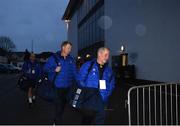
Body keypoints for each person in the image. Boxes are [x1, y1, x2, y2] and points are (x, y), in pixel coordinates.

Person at [78, 47, 115, 124]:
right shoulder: (88, 65)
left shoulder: (109, 70)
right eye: (105, 55)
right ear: (99, 54)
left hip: (102, 101)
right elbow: (80, 80)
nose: (107, 57)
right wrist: (88, 92)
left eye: (108, 55)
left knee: (100, 122)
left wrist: (107, 94)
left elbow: (112, 84)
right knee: (86, 121)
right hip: (89, 100)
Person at [44, 41, 77, 124]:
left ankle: (55, 120)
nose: (70, 50)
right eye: (68, 48)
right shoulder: (54, 58)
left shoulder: (71, 59)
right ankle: (57, 122)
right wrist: (54, 69)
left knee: (62, 107)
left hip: (68, 88)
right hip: (57, 88)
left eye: (70, 48)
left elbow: (75, 73)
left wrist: (83, 82)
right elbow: (45, 68)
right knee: (58, 107)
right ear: (63, 47)